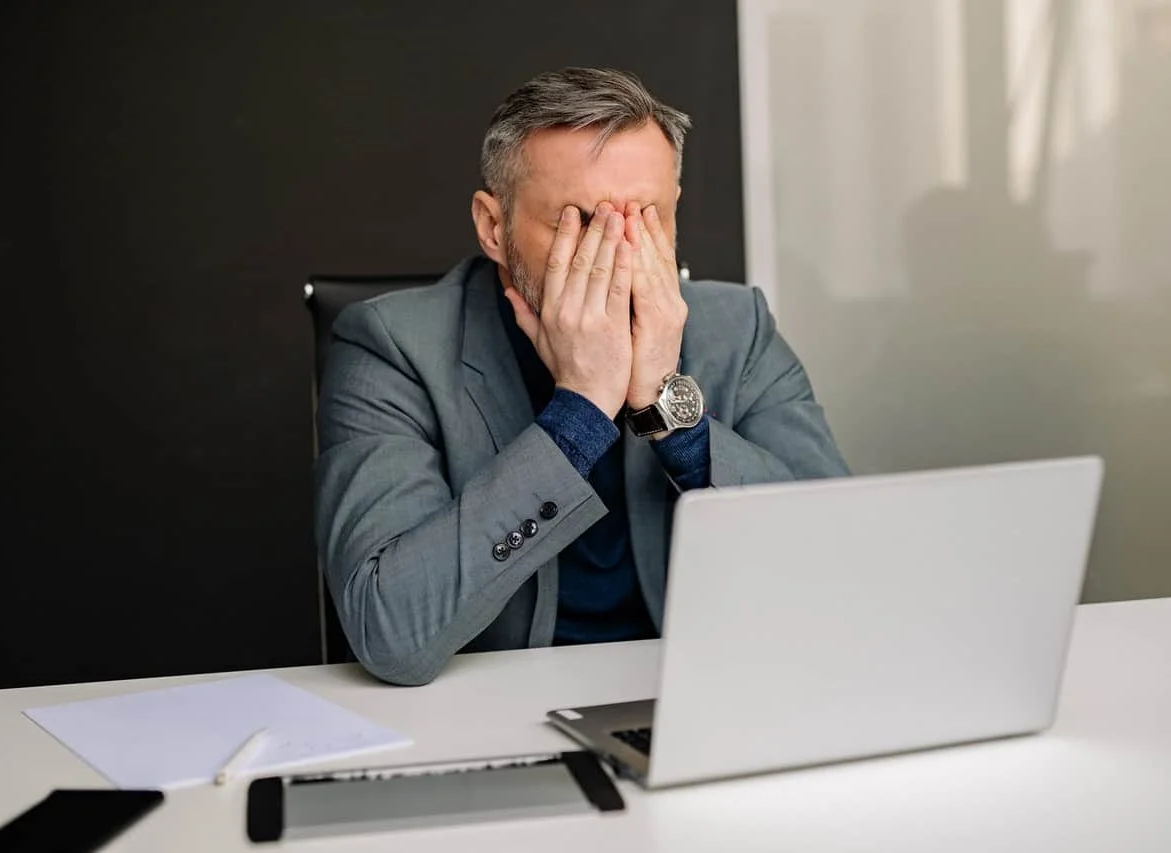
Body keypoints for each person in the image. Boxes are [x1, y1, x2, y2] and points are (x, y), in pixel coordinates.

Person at [314, 67, 848, 686]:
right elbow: (392, 634)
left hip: (704, 694)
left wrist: (669, 414)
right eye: (582, 224)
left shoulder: (738, 328)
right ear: (494, 227)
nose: (619, 255)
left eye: (647, 220)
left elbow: (843, 568)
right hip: (493, 708)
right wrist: (583, 408)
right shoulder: (392, 347)